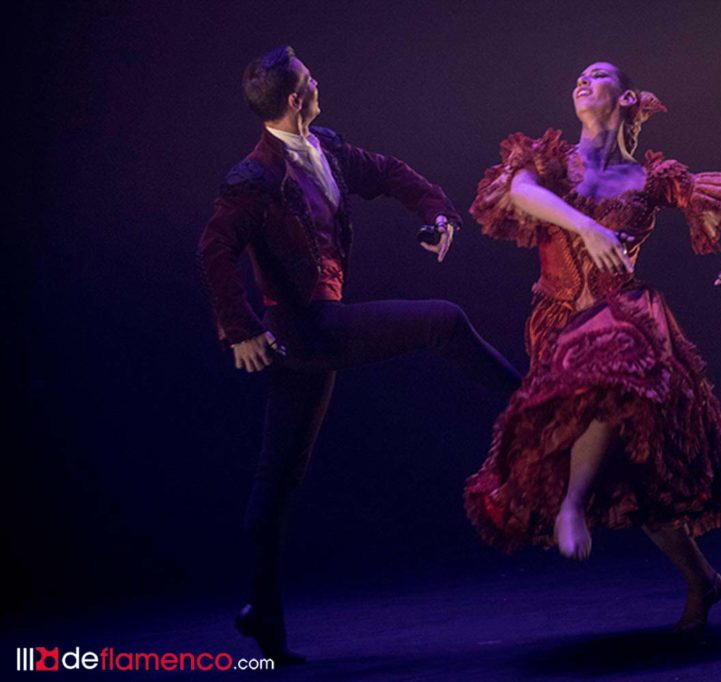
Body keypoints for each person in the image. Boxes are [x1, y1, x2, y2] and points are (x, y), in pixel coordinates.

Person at [197, 46, 522, 665]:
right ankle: (535, 401)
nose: (319, 84)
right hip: (307, 329)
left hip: (311, 337)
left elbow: (393, 174)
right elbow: (212, 253)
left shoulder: (329, 149)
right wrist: (238, 327)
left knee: (279, 476)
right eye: (311, 80)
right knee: (444, 321)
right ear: (295, 99)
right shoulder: (255, 177)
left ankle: (263, 615)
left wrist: (436, 214)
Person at [463, 61, 721, 636]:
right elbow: (517, 191)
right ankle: (704, 579)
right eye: (576, 76)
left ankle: (572, 504)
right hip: (557, 321)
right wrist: (586, 227)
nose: (580, 80)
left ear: (625, 97)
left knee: (612, 366)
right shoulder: (551, 163)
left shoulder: (653, 179)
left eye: (596, 74)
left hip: (628, 318)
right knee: (642, 480)